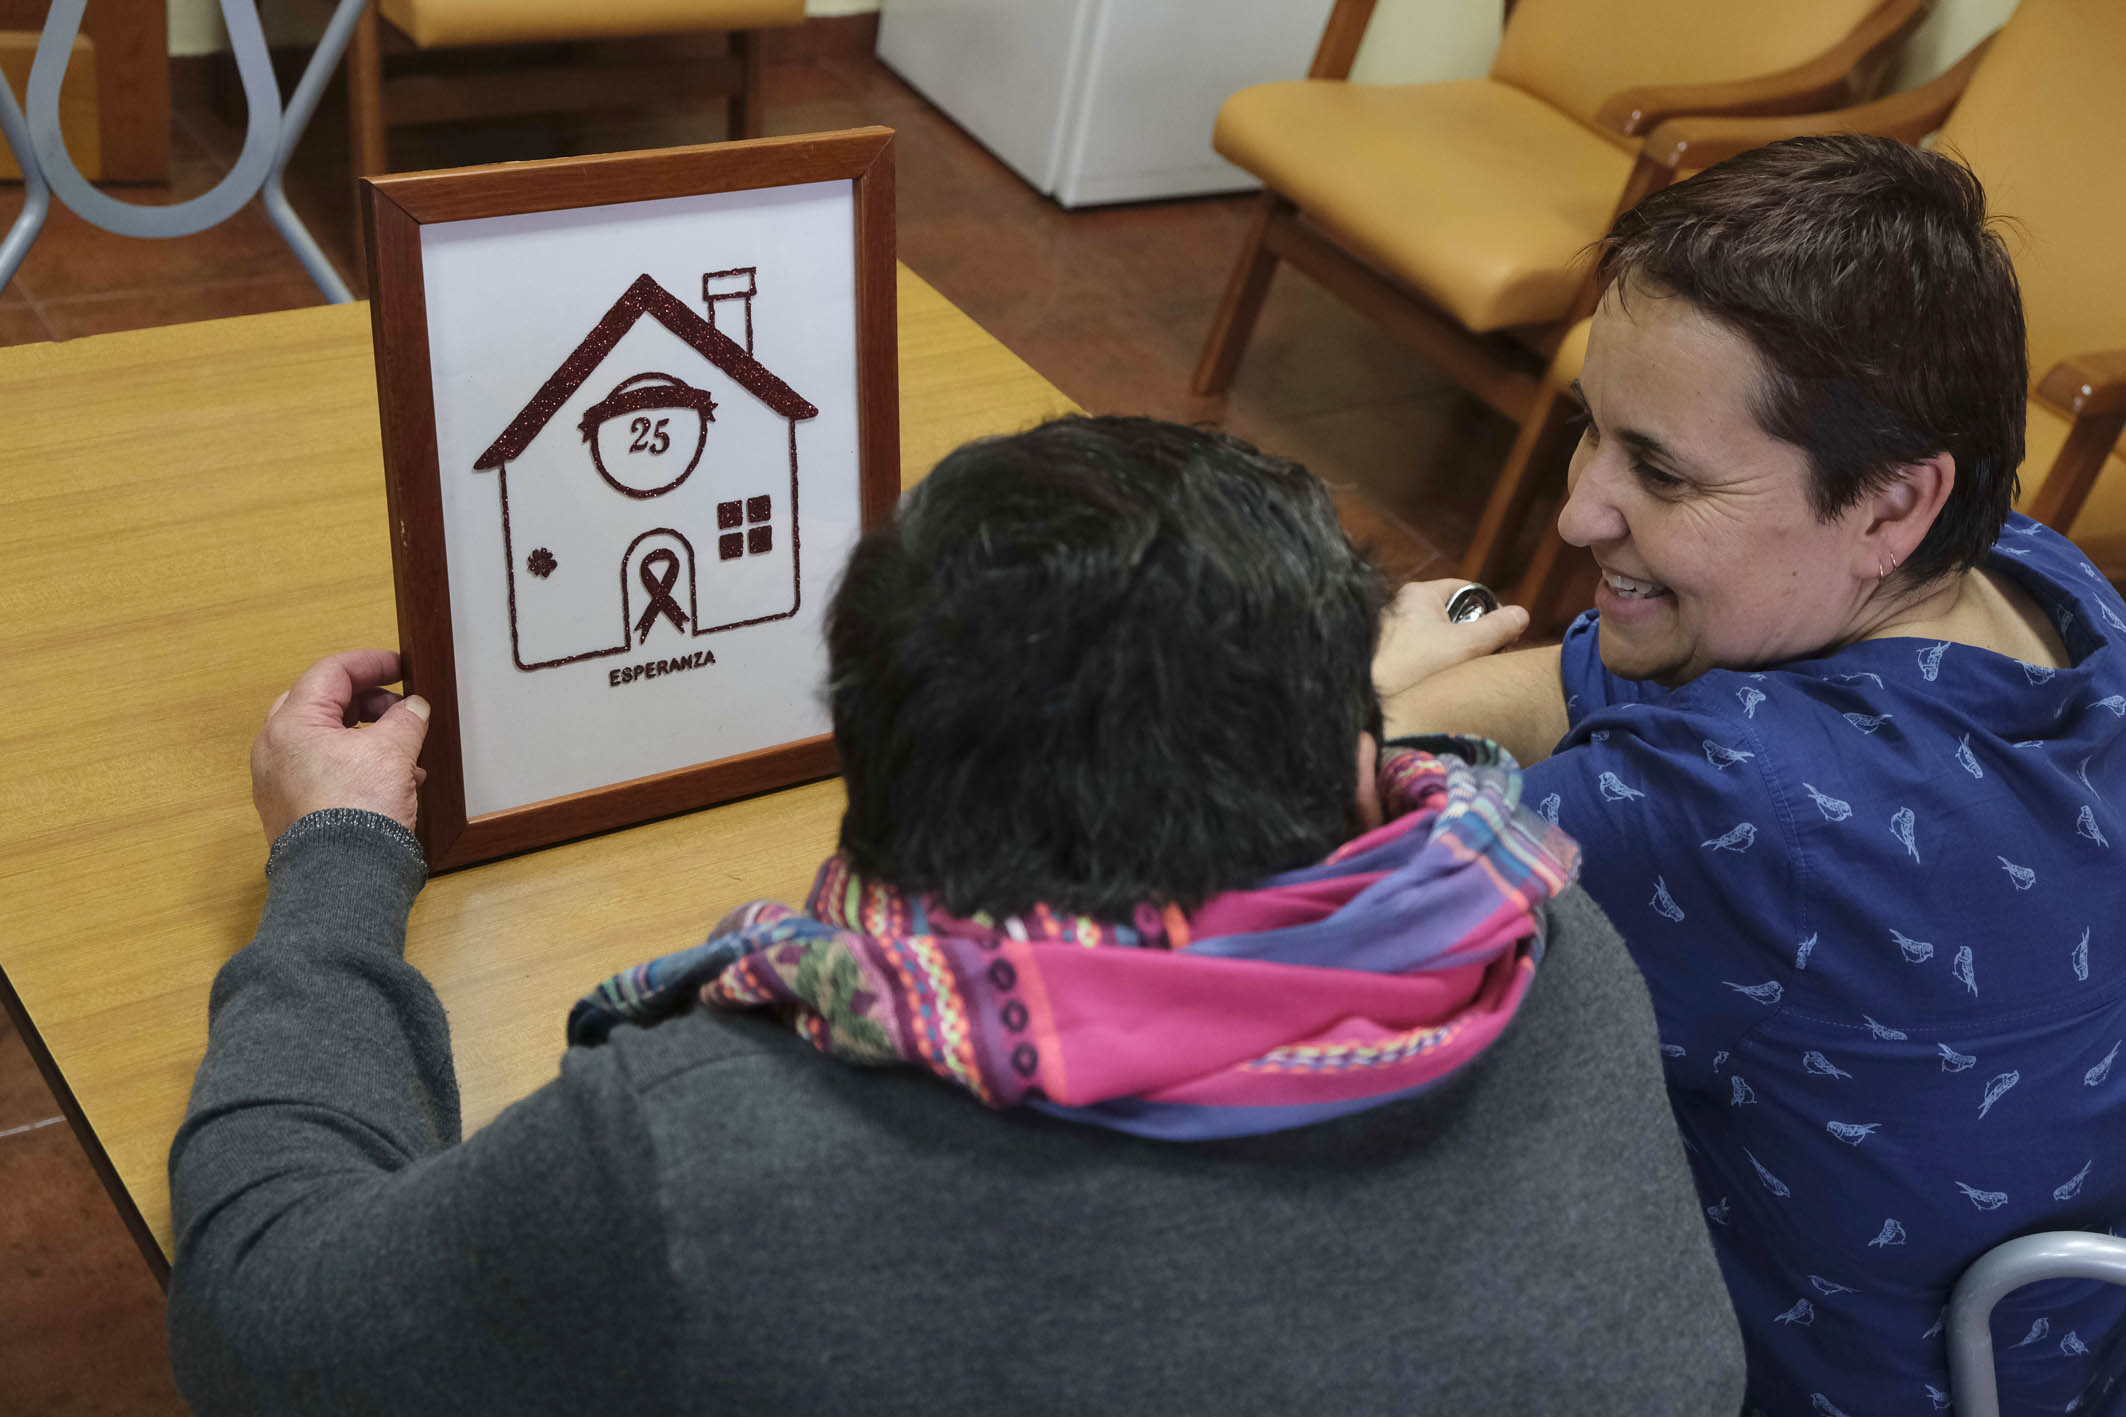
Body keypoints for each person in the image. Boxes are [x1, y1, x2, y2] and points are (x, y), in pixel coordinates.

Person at [167, 416, 1742, 1415]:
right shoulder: (1541, 937)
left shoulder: (710, 1146)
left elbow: (261, 1317)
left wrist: (335, 852)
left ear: (876, 760)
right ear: (1342, 749)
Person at [1380, 135, 2126, 1416]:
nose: (1578, 513)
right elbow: (1579, 683)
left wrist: (1372, 702)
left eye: (1661, 471)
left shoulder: (1735, 811)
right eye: (1591, 430)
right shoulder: (2028, 572)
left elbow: (1309, 892)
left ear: (1889, 504)